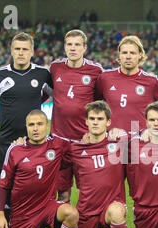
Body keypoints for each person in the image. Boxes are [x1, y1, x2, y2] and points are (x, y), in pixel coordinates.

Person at [0, 32, 52, 228]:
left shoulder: (42, 74)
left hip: (35, 144)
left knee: (37, 192)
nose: (21, 53)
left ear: (32, 51)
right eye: (17, 49)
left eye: (25, 49)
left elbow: (51, 97)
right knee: (7, 192)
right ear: (11, 51)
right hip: (6, 145)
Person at [0, 109, 79, 228]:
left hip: (47, 206)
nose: (35, 128)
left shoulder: (57, 144)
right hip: (21, 213)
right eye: (31, 124)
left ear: (47, 126)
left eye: (40, 124)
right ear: (26, 127)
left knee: (72, 214)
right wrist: (0, 215)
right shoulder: (15, 149)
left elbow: (79, 147)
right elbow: (3, 184)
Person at [62, 101, 128, 228]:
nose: (96, 122)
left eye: (100, 119)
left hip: (111, 206)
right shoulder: (75, 148)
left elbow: (149, 135)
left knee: (116, 211)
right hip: (86, 210)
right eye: (92, 118)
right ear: (86, 122)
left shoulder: (120, 144)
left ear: (108, 122)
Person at [50, 29, 103, 205]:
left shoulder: (95, 71)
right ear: (64, 47)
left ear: (84, 48)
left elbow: (102, 103)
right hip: (59, 140)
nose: (73, 48)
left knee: (88, 194)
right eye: (69, 44)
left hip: (84, 140)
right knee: (62, 194)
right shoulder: (55, 68)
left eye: (77, 45)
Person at [95, 35, 158, 133]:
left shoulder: (152, 82)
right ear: (119, 55)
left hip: (140, 141)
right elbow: (94, 107)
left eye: (132, 53)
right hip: (111, 139)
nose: (128, 56)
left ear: (140, 54)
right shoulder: (105, 78)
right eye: (124, 53)